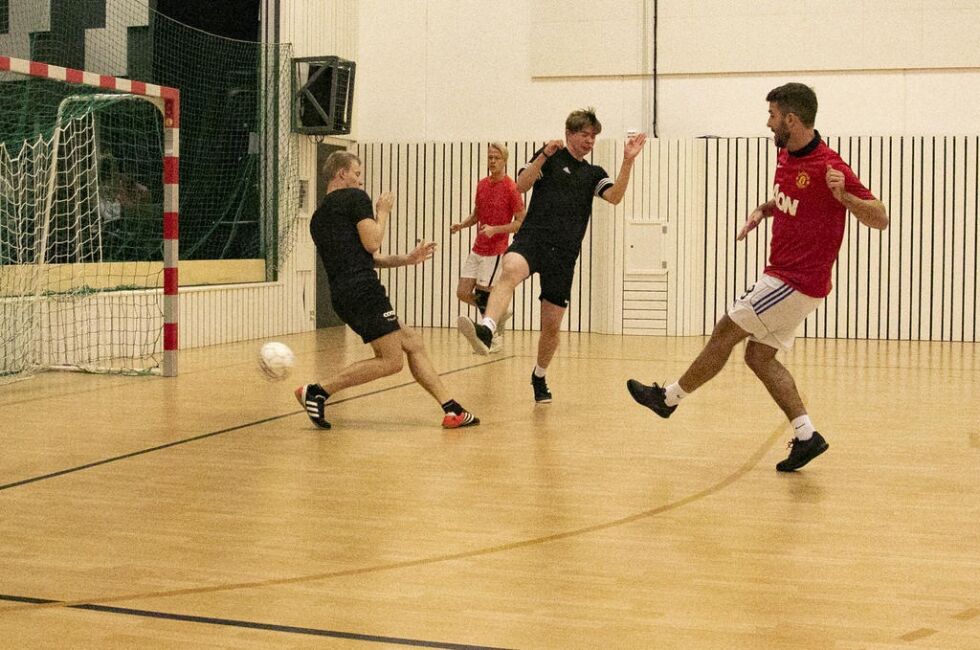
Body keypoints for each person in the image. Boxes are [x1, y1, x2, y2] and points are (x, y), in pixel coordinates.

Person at [626, 82, 888, 472]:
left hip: (793, 281)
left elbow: (880, 217)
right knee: (759, 357)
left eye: (772, 116)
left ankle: (668, 399)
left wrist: (845, 198)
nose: (768, 123)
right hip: (792, 282)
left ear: (792, 119)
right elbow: (790, 201)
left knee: (725, 331)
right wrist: (764, 210)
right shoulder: (786, 154)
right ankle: (806, 435)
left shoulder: (829, 167)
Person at [458, 108, 647, 403]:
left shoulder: (593, 173)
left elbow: (615, 197)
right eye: (584, 135)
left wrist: (627, 161)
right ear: (569, 133)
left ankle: (539, 376)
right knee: (510, 267)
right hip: (534, 239)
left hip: (564, 253)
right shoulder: (550, 157)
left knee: (551, 326)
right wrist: (543, 154)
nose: (589, 141)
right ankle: (487, 329)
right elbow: (520, 185)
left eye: (593, 136)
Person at [296, 151, 480, 430]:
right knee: (391, 361)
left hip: (344, 294)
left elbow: (364, 259)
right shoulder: (356, 199)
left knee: (413, 342)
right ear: (341, 173)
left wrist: (407, 259)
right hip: (364, 291)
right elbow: (372, 243)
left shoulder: (319, 218)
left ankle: (451, 409)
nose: (360, 181)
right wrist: (382, 211)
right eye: (357, 174)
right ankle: (318, 391)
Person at [449, 142, 526, 352]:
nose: (492, 161)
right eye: (490, 157)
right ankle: (498, 314)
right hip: (478, 248)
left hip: (496, 249)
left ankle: (492, 339)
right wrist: (462, 225)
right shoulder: (482, 184)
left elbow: (520, 222)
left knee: (484, 293)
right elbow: (477, 215)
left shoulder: (512, 188)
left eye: (496, 158)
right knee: (463, 292)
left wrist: (496, 230)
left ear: (505, 160)